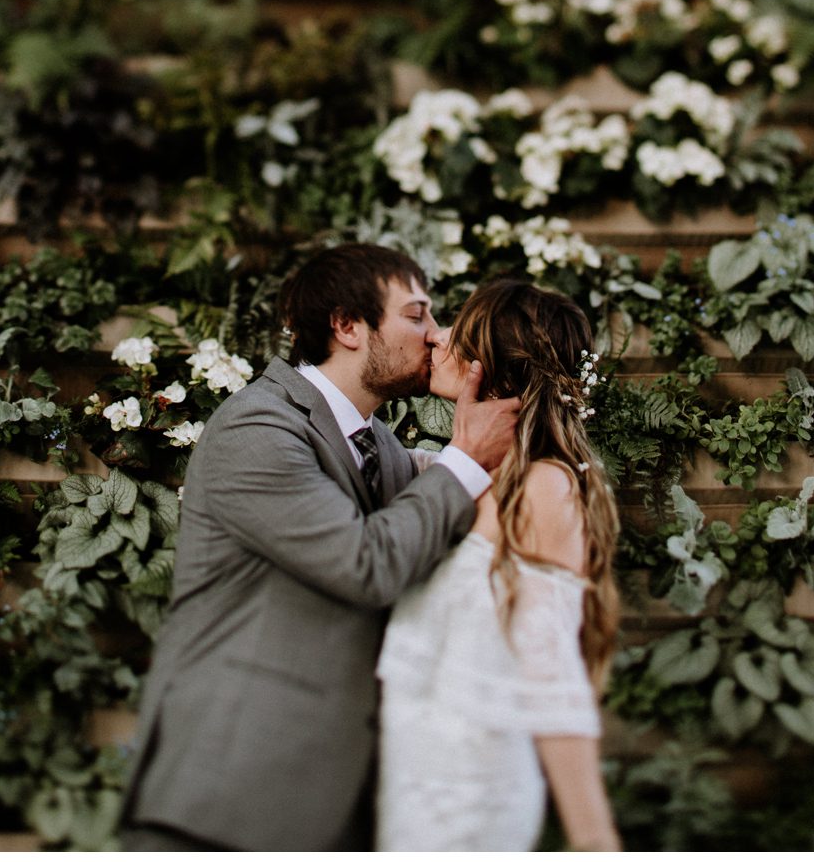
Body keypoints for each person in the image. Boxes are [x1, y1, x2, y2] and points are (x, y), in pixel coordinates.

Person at [118, 243, 521, 850]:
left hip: (326, 805)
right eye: (417, 316)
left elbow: (472, 491)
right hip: (225, 800)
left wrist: (488, 413)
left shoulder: (377, 445)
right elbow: (368, 563)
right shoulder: (257, 428)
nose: (438, 337)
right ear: (347, 325)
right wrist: (465, 456)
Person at [375, 278, 624, 851]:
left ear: (486, 368)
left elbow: (550, 672)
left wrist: (594, 839)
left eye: (454, 332)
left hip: (472, 791)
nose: (434, 337)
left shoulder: (544, 487)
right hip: (412, 776)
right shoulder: (457, 476)